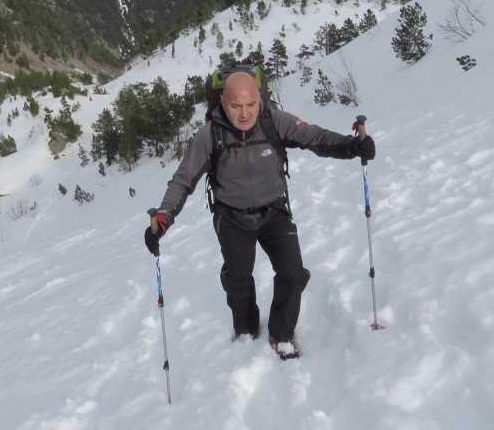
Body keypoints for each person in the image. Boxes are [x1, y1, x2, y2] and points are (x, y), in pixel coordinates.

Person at [143, 70, 375, 358]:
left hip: (274, 211)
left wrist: (351, 146)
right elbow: (183, 179)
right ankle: (246, 327)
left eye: (251, 104)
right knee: (238, 278)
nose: (244, 114)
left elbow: (313, 137)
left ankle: (282, 334)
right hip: (231, 218)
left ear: (260, 100)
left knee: (293, 273)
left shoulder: (273, 121)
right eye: (236, 106)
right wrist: (164, 217)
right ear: (223, 104)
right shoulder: (209, 135)